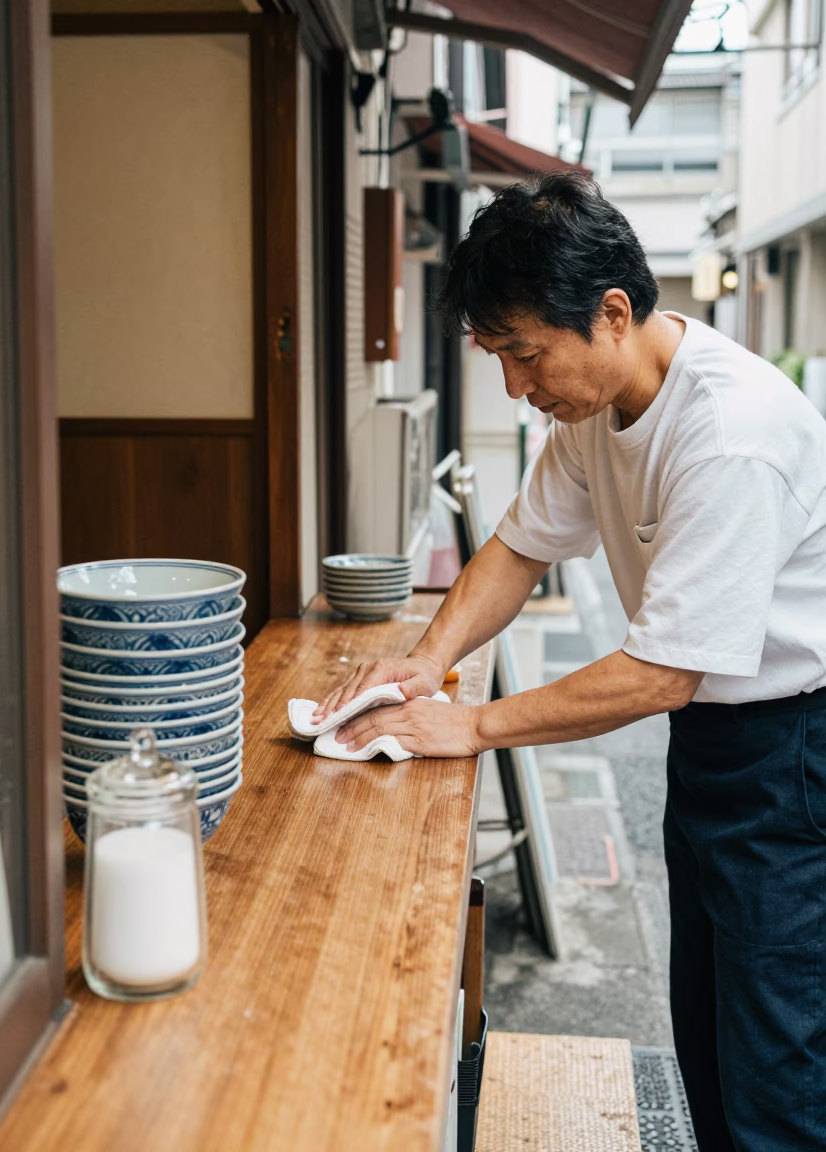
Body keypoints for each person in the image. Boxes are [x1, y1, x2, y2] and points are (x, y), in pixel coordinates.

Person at [313, 173, 826, 1152]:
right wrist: (428, 663)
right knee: (712, 1042)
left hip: (794, 753)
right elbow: (517, 547)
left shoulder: (726, 435)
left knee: (780, 1068)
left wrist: (469, 724)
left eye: (523, 353)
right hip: (719, 747)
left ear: (613, 312)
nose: (515, 386)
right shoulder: (597, 413)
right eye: (499, 355)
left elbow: (659, 672)